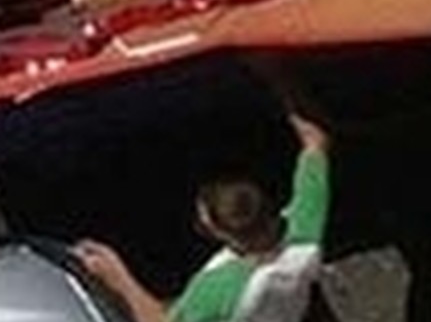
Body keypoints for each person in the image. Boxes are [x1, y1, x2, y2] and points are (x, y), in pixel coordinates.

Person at [76, 107, 332, 322]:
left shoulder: (219, 291)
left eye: (204, 223)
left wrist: (116, 274)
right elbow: (314, 141)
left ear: (226, 235)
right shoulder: (303, 234)